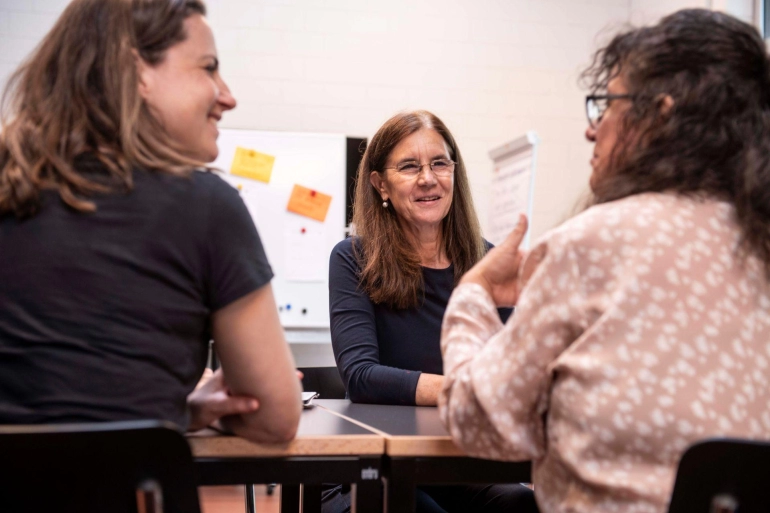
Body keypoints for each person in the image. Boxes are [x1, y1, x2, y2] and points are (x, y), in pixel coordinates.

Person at [439, 9, 770, 513]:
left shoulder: (589, 244)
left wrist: (473, 295)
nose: (592, 132)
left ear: (657, 116)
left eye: (607, 106)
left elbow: (483, 425)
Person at [0, 0, 301, 442]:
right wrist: (175, 416)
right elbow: (274, 418)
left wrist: (174, 411)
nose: (227, 95)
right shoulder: (207, 207)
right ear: (137, 71)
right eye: (208, 68)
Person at [326, 110, 537, 512]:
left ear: (454, 173)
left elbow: (508, 373)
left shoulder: (487, 260)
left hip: (463, 465)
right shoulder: (354, 258)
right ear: (380, 184)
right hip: (376, 472)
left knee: (523, 504)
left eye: (439, 163)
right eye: (409, 166)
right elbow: (361, 377)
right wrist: (461, 390)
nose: (428, 178)